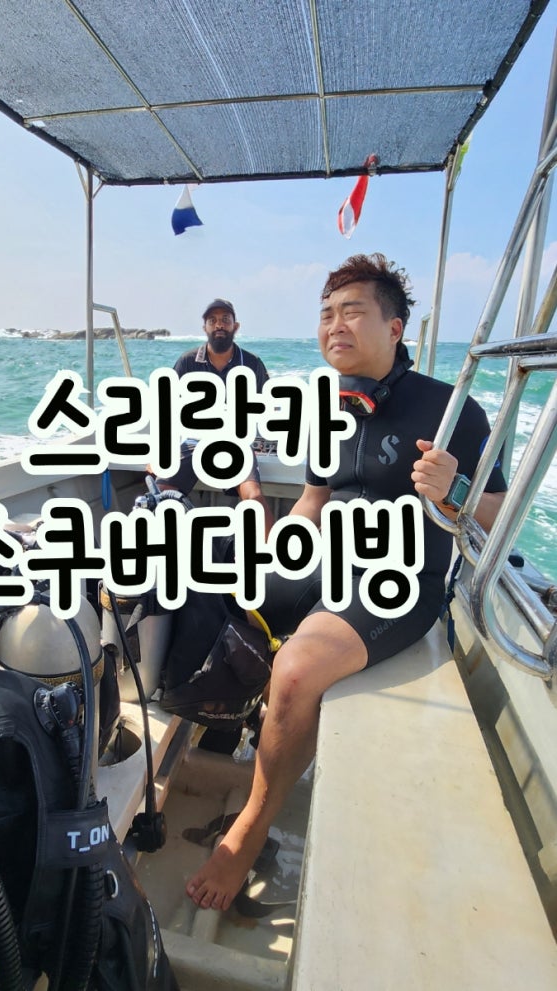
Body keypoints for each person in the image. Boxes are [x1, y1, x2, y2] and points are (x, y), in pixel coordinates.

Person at [185, 253, 508, 911]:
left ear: (395, 328)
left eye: (352, 310)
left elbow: (499, 517)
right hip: (326, 558)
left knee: (298, 668)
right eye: (327, 313)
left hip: (399, 578)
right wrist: (267, 551)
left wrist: (456, 490)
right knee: (202, 584)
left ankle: (250, 827)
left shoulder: (452, 412)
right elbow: (312, 500)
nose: (335, 324)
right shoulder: (324, 407)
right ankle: (238, 722)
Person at [156, 298, 275, 533]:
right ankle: (176, 542)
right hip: (194, 441)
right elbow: (166, 407)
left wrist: (262, 442)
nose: (219, 324)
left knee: (253, 496)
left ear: (235, 326)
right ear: (205, 328)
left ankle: (271, 552)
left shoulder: (252, 363)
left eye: (225, 320)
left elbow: (268, 406)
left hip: (237, 442)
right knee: (159, 492)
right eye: (212, 320)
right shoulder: (187, 362)